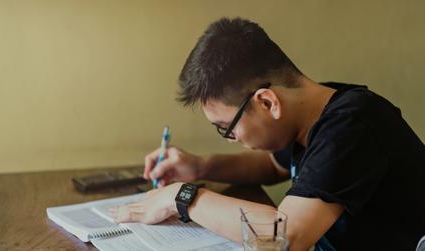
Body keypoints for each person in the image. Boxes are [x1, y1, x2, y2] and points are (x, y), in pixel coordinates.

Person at [109, 17, 425, 250]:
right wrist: (202, 166)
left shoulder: (353, 125)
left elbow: (287, 235)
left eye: (226, 129)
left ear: (266, 102)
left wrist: (180, 196)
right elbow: (272, 166)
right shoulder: (313, 112)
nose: (232, 139)